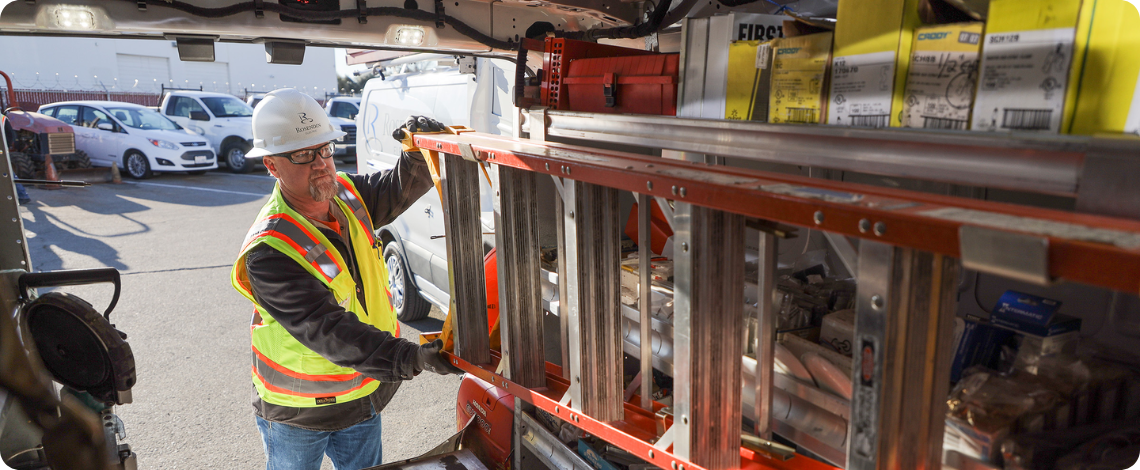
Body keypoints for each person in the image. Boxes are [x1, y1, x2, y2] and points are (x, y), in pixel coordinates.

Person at [230, 88, 462, 470]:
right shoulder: (270, 250)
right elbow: (328, 329)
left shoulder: (347, 195)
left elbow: (394, 189)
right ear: (272, 165)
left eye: (325, 149)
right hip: (299, 412)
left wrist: (417, 154)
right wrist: (410, 357)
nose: (321, 163)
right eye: (303, 154)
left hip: (362, 394)